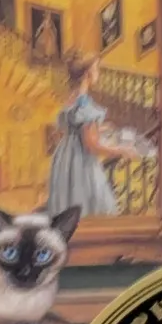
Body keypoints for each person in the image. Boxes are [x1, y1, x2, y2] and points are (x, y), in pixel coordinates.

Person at [47, 51, 128, 219]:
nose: (98, 73)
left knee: (68, 208)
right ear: (87, 74)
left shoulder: (71, 99)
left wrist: (100, 128)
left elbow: (74, 128)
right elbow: (92, 145)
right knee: (91, 209)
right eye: (96, 69)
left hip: (64, 158)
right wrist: (121, 150)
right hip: (81, 162)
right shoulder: (84, 104)